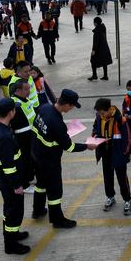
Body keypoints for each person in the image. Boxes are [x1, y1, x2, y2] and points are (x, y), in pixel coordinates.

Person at [31, 90, 96, 228]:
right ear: (66, 104)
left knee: (41, 184)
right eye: (72, 106)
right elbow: (69, 146)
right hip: (50, 160)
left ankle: (37, 210)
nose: (71, 109)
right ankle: (57, 219)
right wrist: (86, 146)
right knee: (55, 190)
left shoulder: (45, 108)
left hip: (36, 154)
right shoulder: (56, 122)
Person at [0, 98, 31, 255]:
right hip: (9, 182)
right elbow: (8, 167)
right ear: (11, 112)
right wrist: (17, 186)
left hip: (2, 179)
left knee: (10, 210)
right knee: (13, 212)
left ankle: (13, 234)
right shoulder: (5, 137)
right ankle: (11, 245)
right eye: (15, 109)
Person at [91, 98, 131, 215]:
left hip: (118, 153)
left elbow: (128, 138)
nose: (101, 115)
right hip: (105, 152)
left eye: (102, 113)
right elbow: (95, 127)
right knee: (107, 177)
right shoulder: (99, 117)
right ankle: (110, 196)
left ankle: (127, 200)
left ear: (109, 109)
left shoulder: (121, 119)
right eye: (99, 113)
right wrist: (94, 135)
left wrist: (125, 153)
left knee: (122, 179)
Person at [9, 78, 36, 192]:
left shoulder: (26, 100)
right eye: (26, 89)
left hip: (30, 137)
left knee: (30, 160)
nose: (28, 91)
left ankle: (29, 178)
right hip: (21, 139)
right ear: (18, 90)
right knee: (23, 161)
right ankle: (24, 185)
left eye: (29, 88)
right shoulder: (15, 105)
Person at [89, 17, 113, 81]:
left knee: (93, 60)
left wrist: (93, 50)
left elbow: (96, 42)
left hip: (99, 49)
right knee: (104, 61)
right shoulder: (103, 28)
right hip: (105, 47)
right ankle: (105, 76)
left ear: (96, 23)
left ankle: (94, 75)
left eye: (94, 22)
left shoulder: (97, 31)